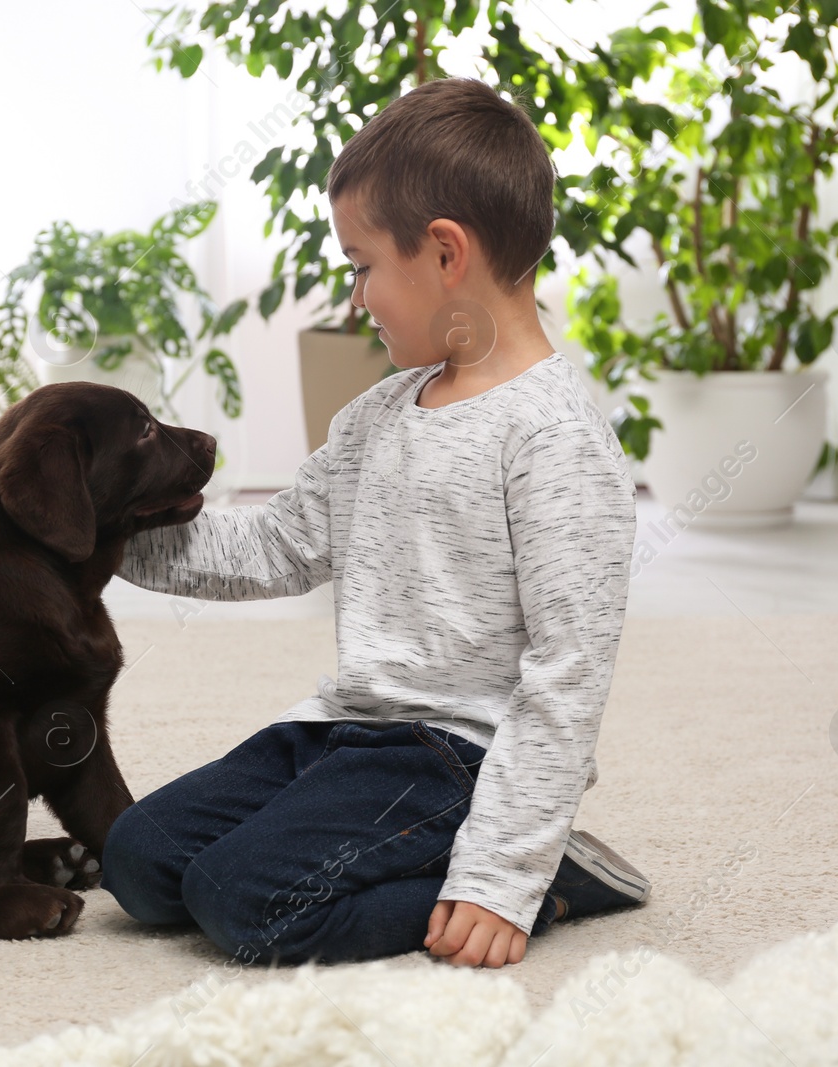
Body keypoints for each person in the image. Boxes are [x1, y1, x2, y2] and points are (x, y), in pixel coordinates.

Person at [101, 77, 648, 970]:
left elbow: (568, 671)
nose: (357, 296)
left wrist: (502, 875)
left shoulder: (554, 438)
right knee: (139, 860)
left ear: (443, 254)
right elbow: (276, 544)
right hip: (340, 728)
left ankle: (556, 879)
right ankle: (405, 841)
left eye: (362, 267)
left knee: (244, 901)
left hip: (455, 756)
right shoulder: (383, 412)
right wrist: (102, 534)